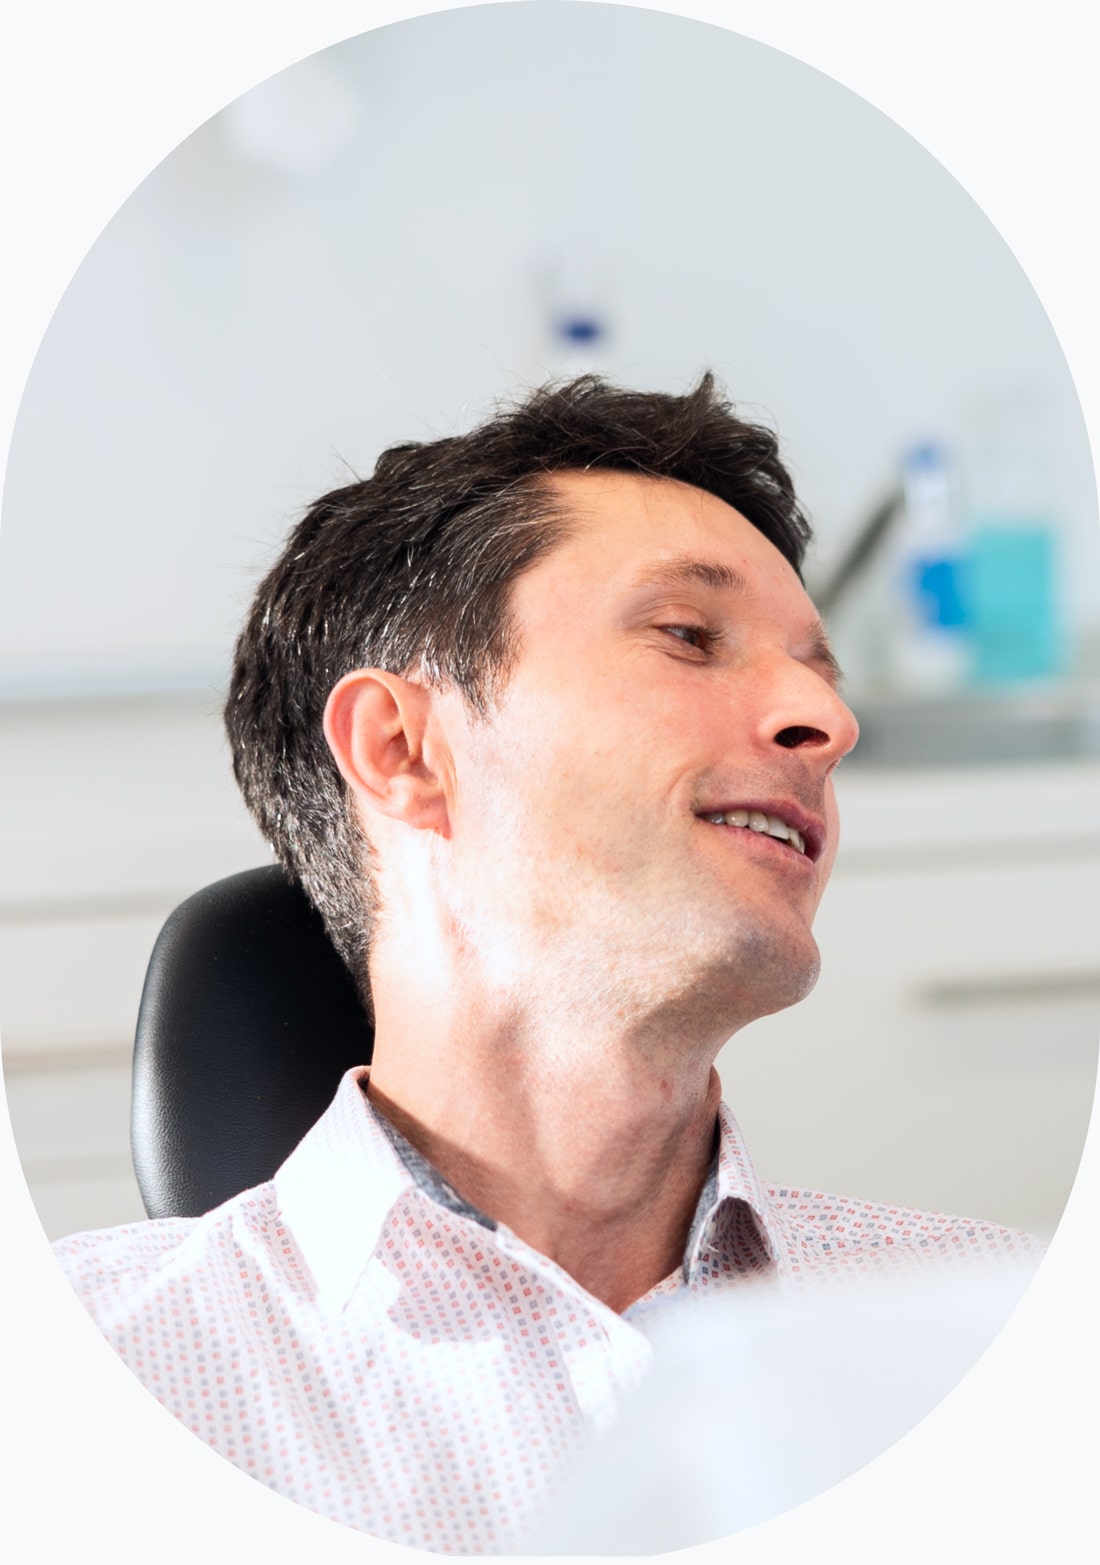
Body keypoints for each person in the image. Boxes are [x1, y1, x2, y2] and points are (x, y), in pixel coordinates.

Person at [54, 375, 1038, 1554]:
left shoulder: (1001, 1331)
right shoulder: (81, 1383)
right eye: (689, 635)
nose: (825, 721)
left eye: (817, 671)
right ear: (401, 747)